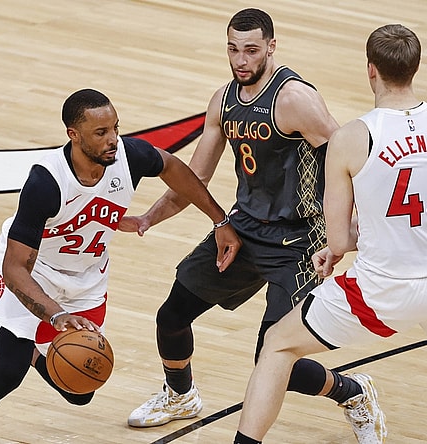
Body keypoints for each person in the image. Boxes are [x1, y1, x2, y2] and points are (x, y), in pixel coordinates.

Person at [233, 24, 427, 444]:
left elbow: (338, 240)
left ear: (370, 70)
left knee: (278, 345)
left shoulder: (353, 137)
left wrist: (332, 252)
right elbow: (416, 212)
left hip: (386, 288)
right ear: (414, 68)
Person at [0, 88, 241, 444]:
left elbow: (174, 168)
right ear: (73, 135)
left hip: (88, 279)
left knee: (80, 386)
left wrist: (219, 221)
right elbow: (14, 268)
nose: (113, 140)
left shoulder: (130, 156)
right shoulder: (46, 183)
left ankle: (33, 352)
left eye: (115, 128)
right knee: (7, 371)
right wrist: (54, 314)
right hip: (36, 272)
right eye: (101, 133)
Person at [123, 8, 352, 429]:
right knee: (171, 316)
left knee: (271, 356)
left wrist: (344, 232)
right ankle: (180, 396)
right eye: (233, 49)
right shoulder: (223, 101)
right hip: (243, 229)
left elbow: (346, 158)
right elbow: (196, 177)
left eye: (251, 50)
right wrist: (148, 218)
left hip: (298, 241)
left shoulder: (294, 99)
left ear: (271, 47)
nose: (241, 60)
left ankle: (352, 392)